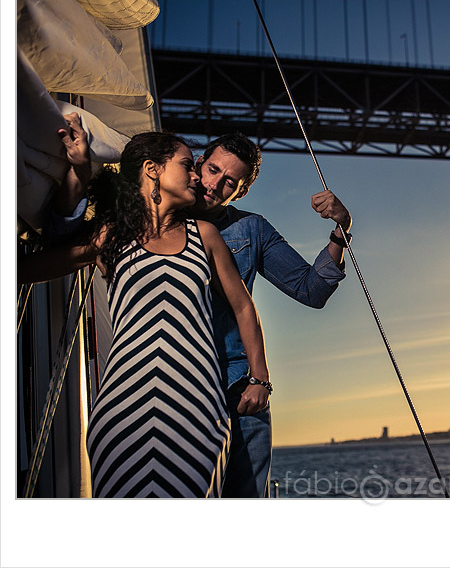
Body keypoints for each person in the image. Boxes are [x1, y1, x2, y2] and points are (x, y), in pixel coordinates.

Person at [50, 119, 352, 497]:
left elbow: (311, 291)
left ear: (240, 193)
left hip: (239, 391)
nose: (214, 184)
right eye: (211, 170)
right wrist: (77, 172)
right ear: (197, 164)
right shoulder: (138, 219)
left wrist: (340, 231)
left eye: (230, 182)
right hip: (163, 390)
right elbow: (66, 241)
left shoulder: (251, 230)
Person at [20, 129, 272, 498]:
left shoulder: (204, 235)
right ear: (153, 170)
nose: (197, 176)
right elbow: (36, 262)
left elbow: (243, 306)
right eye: (189, 165)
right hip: (124, 411)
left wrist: (260, 378)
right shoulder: (112, 235)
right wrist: (77, 171)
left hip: (199, 409)